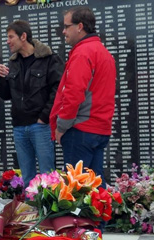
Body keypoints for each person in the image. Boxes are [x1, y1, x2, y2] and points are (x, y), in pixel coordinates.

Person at [50, 6, 116, 186]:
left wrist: (61, 127)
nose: (63, 31)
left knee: (73, 191)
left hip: (80, 130)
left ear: (79, 26)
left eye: (66, 26)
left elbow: (73, 94)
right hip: (99, 129)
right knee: (94, 191)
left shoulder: (83, 53)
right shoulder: (104, 53)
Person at [0, 20, 63, 186]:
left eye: (11, 37)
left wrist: (44, 118)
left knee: (48, 175)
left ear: (23, 36)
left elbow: (58, 91)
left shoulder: (49, 59)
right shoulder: (13, 63)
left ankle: (49, 210)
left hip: (40, 126)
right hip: (19, 127)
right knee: (27, 177)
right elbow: (6, 95)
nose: (7, 41)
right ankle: (32, 210)